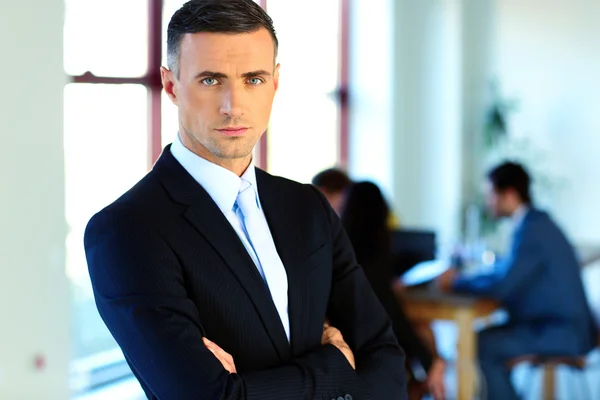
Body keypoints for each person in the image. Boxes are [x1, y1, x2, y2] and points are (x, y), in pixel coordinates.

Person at [84, 1, 406, 399]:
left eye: (252, 79)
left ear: (274, 82)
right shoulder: (125, 231)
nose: (233, 105)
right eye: (210, 80)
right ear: (171, 86)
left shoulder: (307, 207)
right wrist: (335, 367)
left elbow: (387, 362)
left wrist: (251, 387)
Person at [437, 161, 596, 400]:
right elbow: (506, 270)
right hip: (563, 326)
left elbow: (502, 285)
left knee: (482, 344)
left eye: (491, 195)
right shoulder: (537, 224)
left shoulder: (532, 231)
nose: (488, 202)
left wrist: (458, 282)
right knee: (485, 340)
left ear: (508, 194)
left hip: (562, 332)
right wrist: (471, 277)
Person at [341, 181, 446, 400]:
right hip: (370, 349)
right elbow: (393, 317)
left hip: (345, 344)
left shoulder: (341, 249)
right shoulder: (372, 260)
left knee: (423, 333)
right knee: (424, 336)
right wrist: (430, 360)